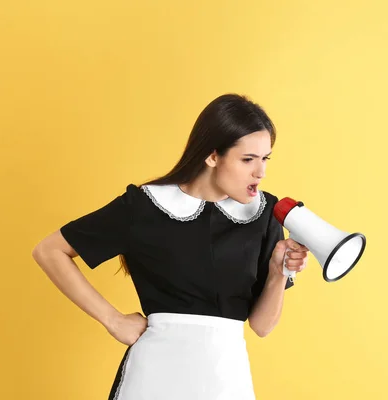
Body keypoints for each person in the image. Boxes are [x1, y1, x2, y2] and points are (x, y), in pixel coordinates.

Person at [31, 93, 309, 399]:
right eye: (248, 159)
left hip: (226, 381)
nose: (261, 172)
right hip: (154, 377)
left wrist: (277, 272)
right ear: (213, 156)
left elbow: (262, 326)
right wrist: (112, 320)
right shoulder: (146, 205)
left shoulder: (263, 214)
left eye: (265, 158)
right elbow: (49, 251)